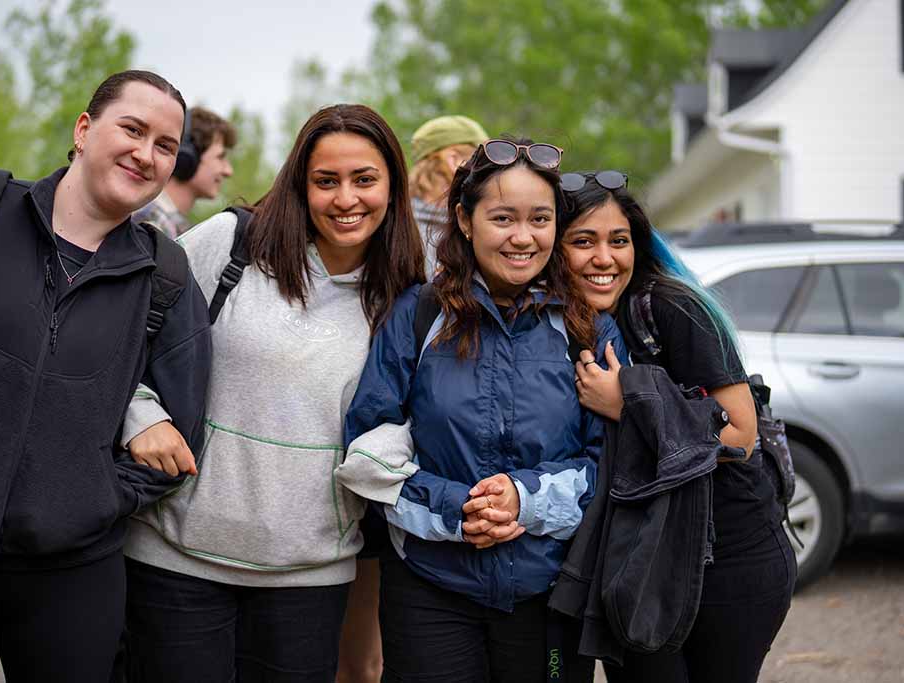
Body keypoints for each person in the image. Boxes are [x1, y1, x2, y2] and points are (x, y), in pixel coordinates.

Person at [0, 70, 211, 683]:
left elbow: (182, 432)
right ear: (85, 130)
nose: (146, 154)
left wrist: (96, 496)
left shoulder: (164, 278)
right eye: (133, 129)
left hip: (73, 574)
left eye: (166, 145)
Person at [119, 103, 426, 683]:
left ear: (393, 187)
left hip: (310, 576)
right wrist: (140, 414)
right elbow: (117, 335)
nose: (346, 199)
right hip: (175, 559)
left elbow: (423, 413)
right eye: (325, 181)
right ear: (299, 184)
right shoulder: (231, 245)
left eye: (365, 180)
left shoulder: (407, 295)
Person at [338, 139, 626, 683]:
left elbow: (609, 462)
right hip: (430, 586)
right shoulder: (418, 315)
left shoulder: (587, 325)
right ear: (465, 222)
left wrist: (524, 499)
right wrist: (458, 510)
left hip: (550, 589)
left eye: (540, 219)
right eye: (503, 218)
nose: (523, 237)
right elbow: (368, 446)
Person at [560, 172, 796, 682]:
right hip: (646, 557)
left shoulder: (667, 305)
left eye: (618, 241)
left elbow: (739, 434)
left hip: (730, 558)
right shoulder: (573, 318)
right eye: (583, 241)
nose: (605, 258)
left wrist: (629, 404)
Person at [133, 106, 236, 238]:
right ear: (187, 157)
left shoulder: (174, 226)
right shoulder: (151, 224)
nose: (228, 171)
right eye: (220, 157)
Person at [408, 114, 488, 280]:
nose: (492, 172)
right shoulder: (466, 231)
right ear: (455, 161)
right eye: (484, 160)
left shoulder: (397, 226)